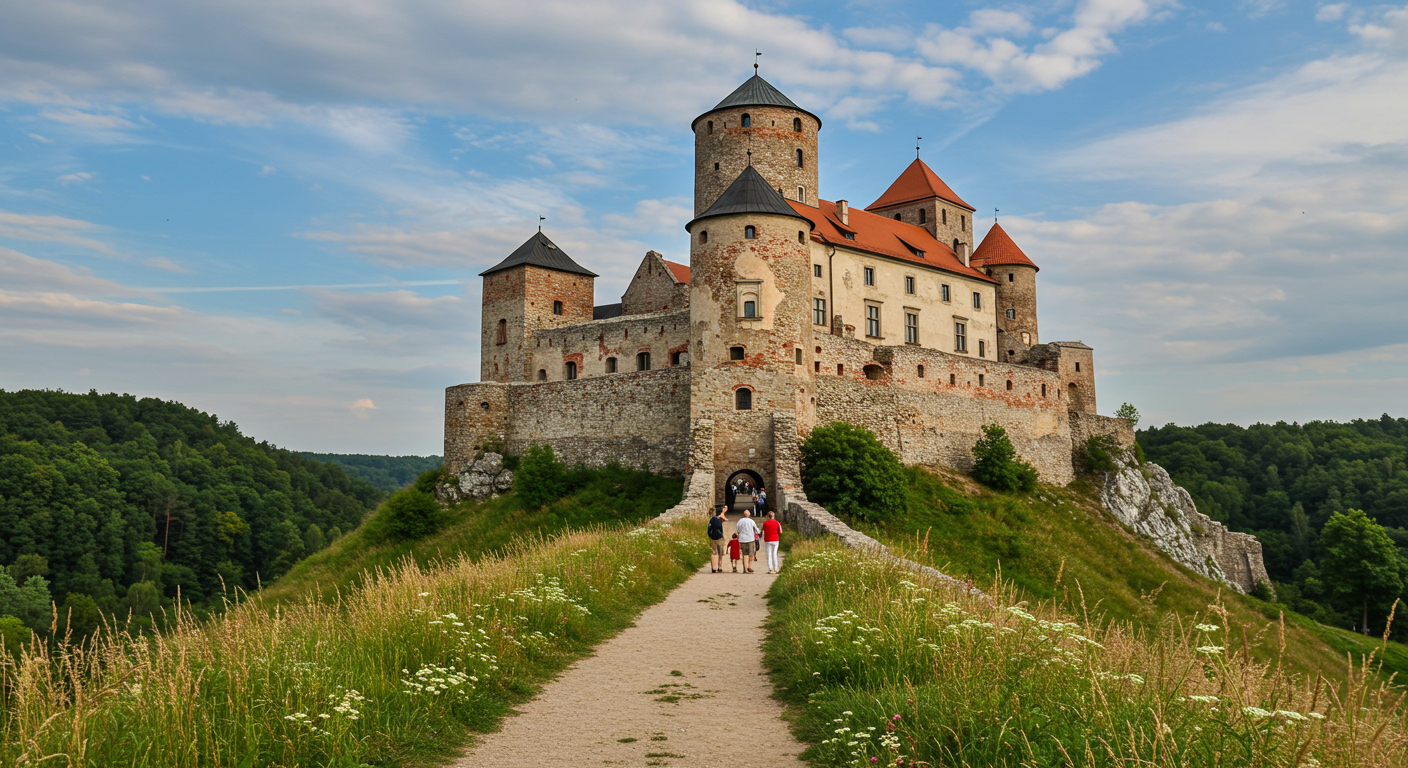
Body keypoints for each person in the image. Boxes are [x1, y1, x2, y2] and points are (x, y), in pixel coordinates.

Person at [707, 507, 727, 573]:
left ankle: (713, 567)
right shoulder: (720, 518)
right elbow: (726, 520)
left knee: (713, 552)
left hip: (712, 537)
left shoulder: (712, 519)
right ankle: (719, 567)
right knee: (720, 553)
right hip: (719, 538)